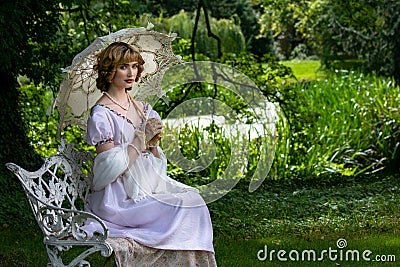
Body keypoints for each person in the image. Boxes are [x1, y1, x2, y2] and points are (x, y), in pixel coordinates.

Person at [82, 42, 216, 265]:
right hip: (118, 199)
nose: (131, 73)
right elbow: (105, 172)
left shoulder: (141, 108)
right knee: (183, 206)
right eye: (124, 66)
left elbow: (154, 166)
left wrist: (153, 147)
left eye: (135, 66)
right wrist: (139, 139)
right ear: (109, 70)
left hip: (145, 188)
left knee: (194, 201)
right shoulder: (101, 114)